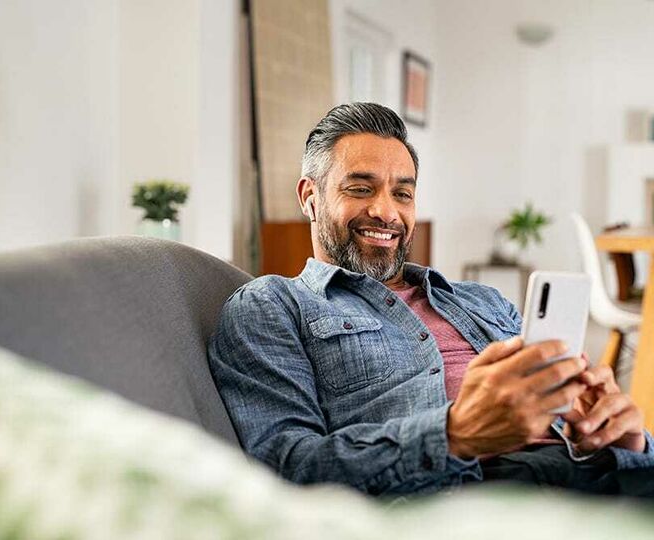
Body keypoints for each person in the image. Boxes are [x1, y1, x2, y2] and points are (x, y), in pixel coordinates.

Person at [208, 102, 654, 496]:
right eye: (360, 188)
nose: (387, 212)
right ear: (310, 197)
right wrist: (455, 435)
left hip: (601, 477)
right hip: (479, 496)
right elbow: (285, 470)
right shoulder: (273, 305)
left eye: (403, 193)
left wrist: (627, 439)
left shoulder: (485, 302)